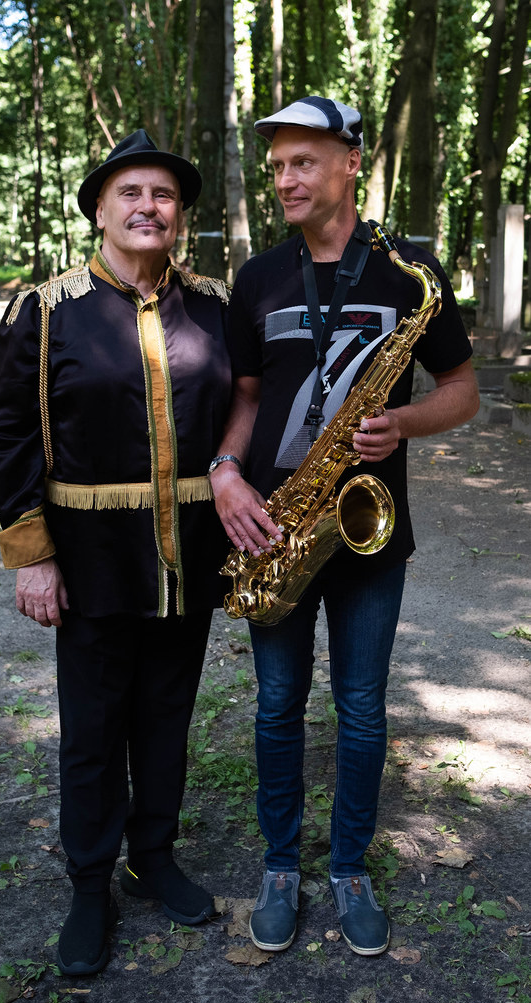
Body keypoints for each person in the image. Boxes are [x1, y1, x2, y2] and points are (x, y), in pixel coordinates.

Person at [209, 97, 480, 957]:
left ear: (351, 162)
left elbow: (462, 390)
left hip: (367, 532)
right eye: (278, 165)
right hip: (275, 532)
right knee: (277, 704)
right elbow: (246, 398)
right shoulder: (257, 277)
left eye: (303, 163)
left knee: (361, 709)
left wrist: (403, 424)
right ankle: (282, 864)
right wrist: (224, 475)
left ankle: (351, 867)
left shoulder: (411, 272)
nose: (285, 179)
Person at [0, 129, 232, 976]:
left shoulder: (213, 307)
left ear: (181, 215)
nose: (148, 207)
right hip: (89, 560)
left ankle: (152, 858)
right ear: (100, 210)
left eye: (163, 195)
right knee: (93, 730)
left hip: (188, 557)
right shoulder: (46, 310)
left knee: (166, 715)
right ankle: (91, 883)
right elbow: (7, 431)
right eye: (131, 194)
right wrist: (32, 555)